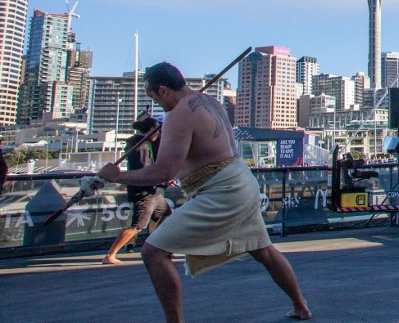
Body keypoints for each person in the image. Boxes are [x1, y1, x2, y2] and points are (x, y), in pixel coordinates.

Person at [99, 62, 311, 322]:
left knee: (153, 252)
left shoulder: (178, 116)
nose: (155, 103)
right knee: (263, 249)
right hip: (241, 183)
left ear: (163, 90)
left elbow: (163, 172)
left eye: (153, 96)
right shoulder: (211, 101)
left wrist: (118, 176)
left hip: (222, 191)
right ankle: (301, 306)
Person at [103, 116, 171, 264]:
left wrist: (162, 180)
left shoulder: (143, 144)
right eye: (158, 131)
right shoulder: (141, 147)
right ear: (153, 129)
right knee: (138, 225)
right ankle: (110, 255)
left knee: (166, 214)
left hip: (154, 191)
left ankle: (156, 245)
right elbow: (144, 171)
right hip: (144, 192)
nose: (159, 135)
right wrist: (161, 179)